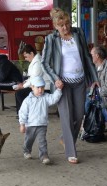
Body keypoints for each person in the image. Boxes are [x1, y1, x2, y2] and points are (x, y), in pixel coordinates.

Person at [41, 8, 98, 164]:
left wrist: (94, 77)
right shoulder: (51, 39)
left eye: (67, 24)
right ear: (55, 26)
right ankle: (71, 152)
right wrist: (55, 78)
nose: (65, 28)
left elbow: (86, 57)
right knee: (66, 117)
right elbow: (44, 63)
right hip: (62, 84)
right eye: (61, 25)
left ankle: (64, 138)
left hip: (79, 81)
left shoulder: (78, 33)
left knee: (79, 114)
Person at [19, 76, 63, 165]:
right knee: (29, 140)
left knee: (42, 141)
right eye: (38, 87)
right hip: (30, 125)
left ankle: (44, 156)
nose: (40, 90)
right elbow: (23, 112)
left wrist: (58, 90)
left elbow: (54, 98)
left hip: (42, 125)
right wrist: (22, 124)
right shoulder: (27, 101)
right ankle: (26, 151)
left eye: (42, 87)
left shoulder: (46, 97)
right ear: (32, 87)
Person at [14, 44, 51, 116]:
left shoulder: (38, 62)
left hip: (44, 87)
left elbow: (35, 77)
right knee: (19, 92)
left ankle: (28, 113)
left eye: (26, 57)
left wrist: (23, 86)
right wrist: (25, 83)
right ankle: (21, 113)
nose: (25, 59)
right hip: (38, 85)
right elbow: (32, 77)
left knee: (20, 93)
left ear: (31, 53)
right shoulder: (35, 61)